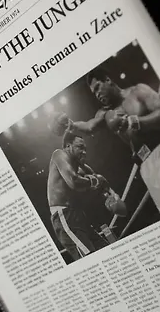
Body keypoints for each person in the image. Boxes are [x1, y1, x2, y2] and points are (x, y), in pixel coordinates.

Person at [51, 68, 160, 211]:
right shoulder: (105, 113)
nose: (97, 94)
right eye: (94, 92)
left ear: (108, 80)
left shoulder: (138, 91)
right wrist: (72, 125)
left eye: (98, 87)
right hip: (146, 165)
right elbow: (89, 126)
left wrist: (137, 122)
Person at [48, 132, 126, 262]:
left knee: (106, 252)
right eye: (80, 147)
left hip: (79, 215)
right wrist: (94, 180)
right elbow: (73, 181)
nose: (84, 152)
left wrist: (112, 196)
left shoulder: (83, 168)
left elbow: (102, 183)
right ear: (68, 146)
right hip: (64, 216)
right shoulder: (59, 154)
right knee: (91, 260)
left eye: (85, 149)